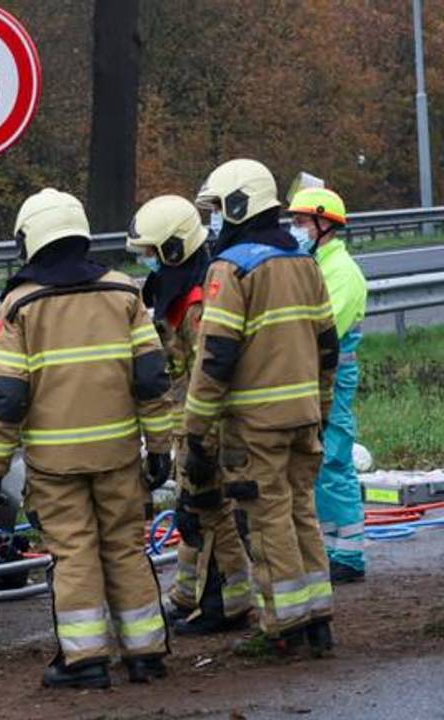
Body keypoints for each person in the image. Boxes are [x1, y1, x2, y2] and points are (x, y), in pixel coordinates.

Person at [0, 188, 172, 689]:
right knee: (126, 549)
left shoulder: (21, 305)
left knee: (75, 553)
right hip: (118, 456)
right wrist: (161, 449)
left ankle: (85, 661)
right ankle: (146, 654)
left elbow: (7, 398)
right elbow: (152, 380)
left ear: (32, 240)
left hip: (54, 464)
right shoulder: (126, 293)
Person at [186, 159, 339, 655]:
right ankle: (319, 618)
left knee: (267, 519)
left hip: (256, 426)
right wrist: (322, 406)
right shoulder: (304, 261)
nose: (214, 222)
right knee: (302, 512)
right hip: (304, 417)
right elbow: (327, 346)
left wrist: (195, 430)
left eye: (217, 210)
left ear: (237, 205)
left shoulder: (231, 269)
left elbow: (215, 358)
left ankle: (286, 627)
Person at [128, 195, 253, 635]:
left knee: (211, 509)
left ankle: (227, 604)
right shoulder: (177, 294)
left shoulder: (199, 303)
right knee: (192, 511)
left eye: (151, 255)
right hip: (188, 425)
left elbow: (210, 378)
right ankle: (188, 596)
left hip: (208, 428)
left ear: (174, 250)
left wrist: (204, 441)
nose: (149, 265)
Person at [287, 186, 368, 583]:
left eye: (301, 222)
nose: (295, 228)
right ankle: (332, 548)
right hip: (315, 375)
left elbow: (323, 331)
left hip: (332, 377)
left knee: (334, 461)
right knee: (319, 464)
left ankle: (348, 556)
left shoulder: (341, 272)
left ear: (325, 225)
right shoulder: (316, 263)